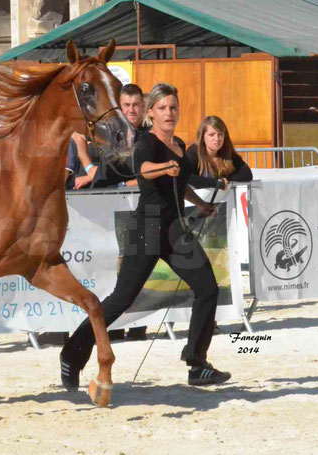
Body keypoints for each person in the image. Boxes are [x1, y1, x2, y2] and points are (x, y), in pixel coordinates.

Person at [60, 83, 231, 391]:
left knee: (208, 288)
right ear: (151, 113)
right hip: (147, 228)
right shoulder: (148, 144)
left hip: (175, 231)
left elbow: (181, 182)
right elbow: (145, 169)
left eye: (173, 107)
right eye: (162, 108)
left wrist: (201, 203)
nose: (169, 113)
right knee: (121, 300)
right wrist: (165, 167)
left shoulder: (179, 145)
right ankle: (72, 354)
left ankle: (196, 363)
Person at [187, 115, 253, 190]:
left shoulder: (226, 152)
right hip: (198, 200)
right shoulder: (194, 152)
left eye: (220, 134)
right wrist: (216, 183)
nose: (217, 139)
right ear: (202, 137)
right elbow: (187, 177)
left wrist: (226, 180)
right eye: (211, 135)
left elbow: (247, 173)